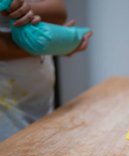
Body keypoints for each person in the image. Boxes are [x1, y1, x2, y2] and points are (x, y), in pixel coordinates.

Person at [0, 0, 91, 141]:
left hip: (41, 103)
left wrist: (55, 39)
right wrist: (50, 43)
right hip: (6, 113)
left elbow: (59, 12)